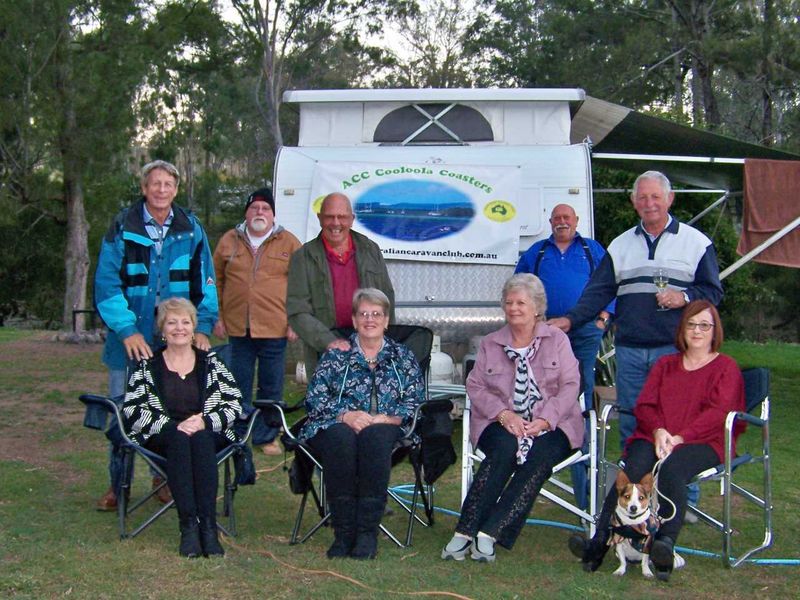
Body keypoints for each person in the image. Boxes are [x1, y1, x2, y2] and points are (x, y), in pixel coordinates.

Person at [569, 300, 745, 581]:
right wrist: (659, 431)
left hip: (705, 440)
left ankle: (664, 545)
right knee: (632, 471)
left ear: (715, 330)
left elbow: (719, 413)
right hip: (656, 435)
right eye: (691, 324)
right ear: (682, 329)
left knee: (673, 469)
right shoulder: (666, 365)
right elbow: (646, 405)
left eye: (704, 325)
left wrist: (680, 437)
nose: (697, 331)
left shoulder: (726, 367)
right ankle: (599, 541)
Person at [549, 171, 723, 449]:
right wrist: (570, 320)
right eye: (642, 197)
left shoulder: (696, 243)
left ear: (670, 198)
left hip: (674, 348)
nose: (649, 203)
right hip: (629, 349)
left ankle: (671, 477)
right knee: (631, 420)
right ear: (633, 201)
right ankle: (632, 476)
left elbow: (713, 292)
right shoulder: (620, 245)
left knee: (674, 419)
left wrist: (684, 297)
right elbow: (598, 292)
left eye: (655, 196)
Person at [92, 160, 218, 511]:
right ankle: (118, 484)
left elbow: (206, 282)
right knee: (123, 411)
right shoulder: (123, 226)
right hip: (129, 341)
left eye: (168, 184)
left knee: (171, 409)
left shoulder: (191, 229)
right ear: (144, 188)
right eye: (155, 184)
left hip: (175, 341)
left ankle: (163, 477)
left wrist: (203, 327)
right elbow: (106, 284)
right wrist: (127, 331)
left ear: (176, 190)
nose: (161, 190)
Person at [441, 273, 583, 563]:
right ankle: (465, 531)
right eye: (509, 302)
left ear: (537, 308)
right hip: (500, 421)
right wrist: (504, 414)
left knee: (539, 458)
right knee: (503, 450)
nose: (514, 308)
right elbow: (475, 386)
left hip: (553, 423)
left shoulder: (557, 340)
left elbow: (571, 385)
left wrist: (545, 420)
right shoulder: (490, 343)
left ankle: (489, 532)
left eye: (521, 303)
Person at [299, 288, 424, 560]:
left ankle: (367, 533)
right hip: (335, 423)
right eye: (363, 314)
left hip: (386, 425)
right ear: (354, 320)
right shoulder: (336, 354)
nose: (370, 319)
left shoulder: (403, 356)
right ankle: (344, 533)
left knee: (376, 437)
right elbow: (314, 398)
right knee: (340, 439)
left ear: (386, 320)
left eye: (376, 314)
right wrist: (345, 415)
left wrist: (390, 418)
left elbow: (416, 399)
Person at [122, 298, 242, 558]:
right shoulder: (147, 366)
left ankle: (208, 528)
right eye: (172, 323)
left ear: (193, 327)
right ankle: (188, 527)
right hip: (163, 433)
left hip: (207, 431)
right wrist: (173, 425)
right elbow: (133, 410)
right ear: (162, 330)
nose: (179, 328)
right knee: (179, 439)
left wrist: (204, 421)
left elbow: (234, 405)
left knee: (200, 439)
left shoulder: (212, 363)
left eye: (185, 322)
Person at [515, 203, 614, 509]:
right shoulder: (537, 252)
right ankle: (543, 443)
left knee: (581, 393)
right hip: (546, 334)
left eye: (566, 217)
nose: (562, 222)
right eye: (557, 218)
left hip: (584, 332)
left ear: (576, 221)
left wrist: (603, 319)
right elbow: (519, 287)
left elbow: (612, 285)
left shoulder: (592, 250)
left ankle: (582, 448)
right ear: (550, 222)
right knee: (542, 392)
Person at [213, 187, 301, 455]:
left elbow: (302, 285)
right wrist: (217, 316)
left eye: (265, 208)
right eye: (254, 208)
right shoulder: (229, 240)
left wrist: (295, 321)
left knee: (271, 386)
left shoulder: (289, 242)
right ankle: (238, 433)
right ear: (246, 213)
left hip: (275, 327)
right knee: (237, 382)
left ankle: (266, 436)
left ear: (273, 214)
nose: (259, 212)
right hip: (238, 327)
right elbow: (215, 281)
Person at [287, 192, 395, 377]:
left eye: (342, 217)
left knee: (372, 395)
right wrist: (329, 342)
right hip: (325, 350)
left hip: (370, 347)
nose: (336, 223)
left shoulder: (370, 249)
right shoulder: (302, 257)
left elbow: (387, 299)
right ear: (320, 218)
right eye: (329, 217)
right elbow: (297, 311)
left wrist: (385, 341)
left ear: (351, 219)